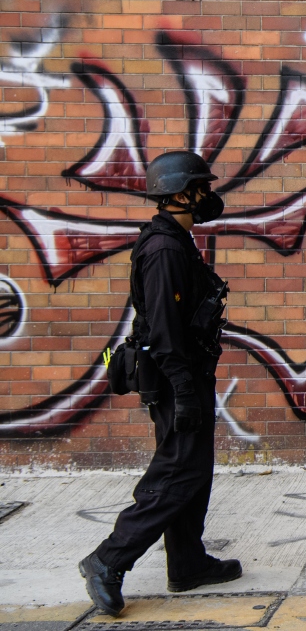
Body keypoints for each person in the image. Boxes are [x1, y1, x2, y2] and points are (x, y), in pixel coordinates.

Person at [80, 152, 239, 616]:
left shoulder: (175, 239)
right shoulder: (165, 250)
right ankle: (108, 560)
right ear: (180, 194)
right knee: (177, 473)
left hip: (186, 375)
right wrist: (185, 393)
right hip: (176, 380)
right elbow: (166, 334)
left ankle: (187, 564)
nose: (209, 196)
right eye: (201, 188)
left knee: (194, 471)